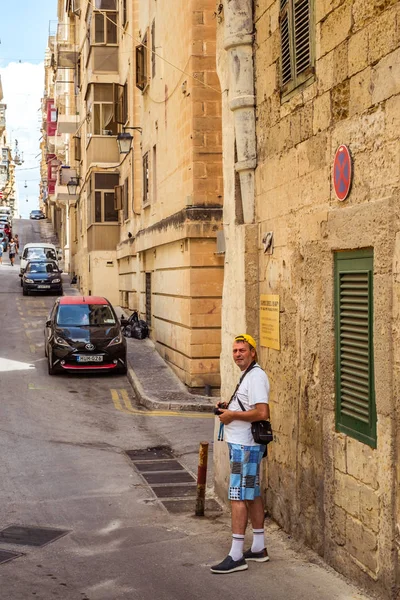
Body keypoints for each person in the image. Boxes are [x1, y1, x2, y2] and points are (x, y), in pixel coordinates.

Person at [211, 334, 270, 575]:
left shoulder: (256, 376)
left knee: (237, 496)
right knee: (252, 492)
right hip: (243, 445)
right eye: (235, 350)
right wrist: (230, 408)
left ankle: (236, 555)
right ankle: (258, 547)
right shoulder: (249, 375)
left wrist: (232, 416)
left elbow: (262, 412)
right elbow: (249, 406)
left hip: (245, 447)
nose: (238, 354)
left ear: (252, 352)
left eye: (242, 350)